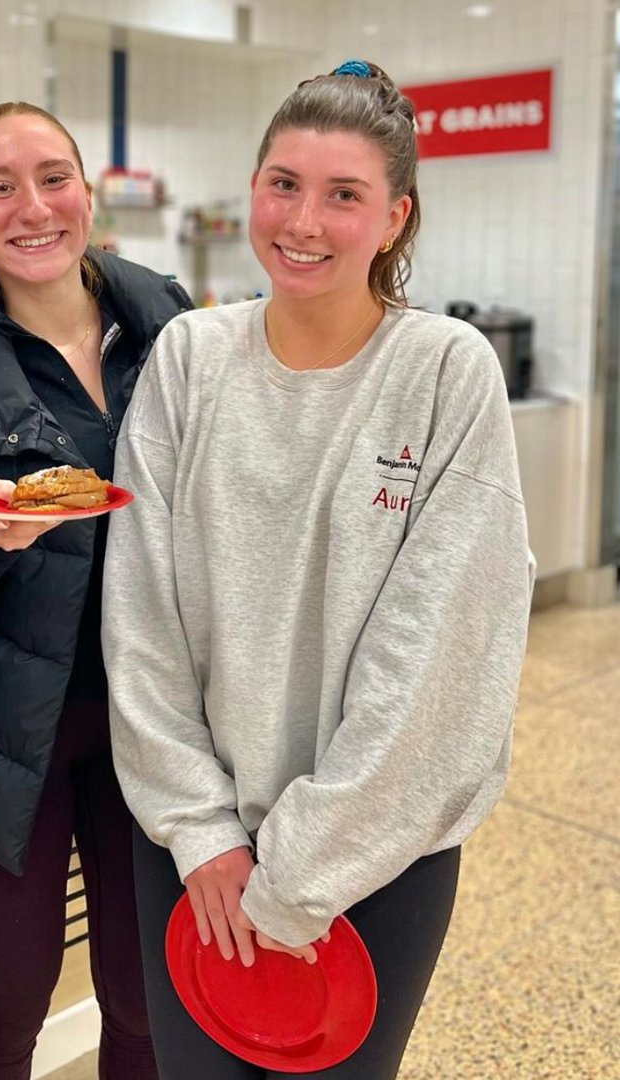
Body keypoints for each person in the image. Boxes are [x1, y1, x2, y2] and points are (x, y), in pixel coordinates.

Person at [102, 61, 534, 1080]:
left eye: (344, 195)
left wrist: (302, 870)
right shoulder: (190, 358)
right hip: (195, 854)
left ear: (394, 218)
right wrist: (205, 833)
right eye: (284, 184)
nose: (304, 220)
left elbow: (438, 659)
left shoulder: (443, 371)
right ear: (252, 189)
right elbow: (140, 616)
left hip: (374, 858)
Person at [0, 102, 191, 1080]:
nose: (33, 207)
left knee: (144, 994)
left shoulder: (175, 336)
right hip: (4, 730)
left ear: (90, 192)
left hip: (152, 722)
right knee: (13, 991)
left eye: (53, 177)